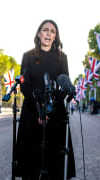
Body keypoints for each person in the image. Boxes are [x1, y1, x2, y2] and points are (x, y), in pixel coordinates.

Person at [16, 19, 76, 180]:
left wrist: (49, 108)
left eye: (52, 31)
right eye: (45, 30)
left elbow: (64, 83)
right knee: (31, 162)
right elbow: (24, 85)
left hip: (55, 113)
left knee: (55, 162)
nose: (48, 33)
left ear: (55, 36)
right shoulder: (27, 56)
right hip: (32, 112)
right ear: (39, 33)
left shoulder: (62, 57)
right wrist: (39, 108)